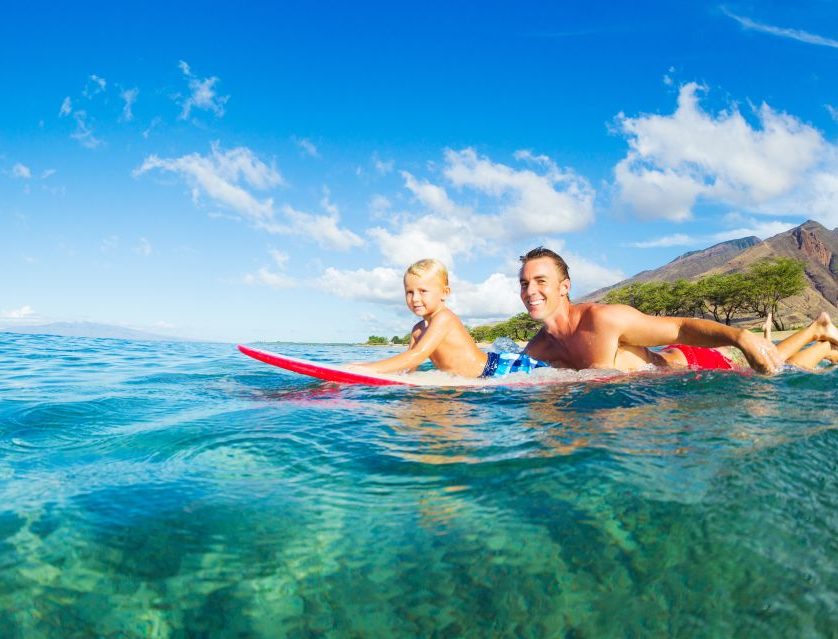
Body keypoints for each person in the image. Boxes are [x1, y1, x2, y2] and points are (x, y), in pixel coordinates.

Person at [519, 247, 838, 374]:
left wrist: (740, 336)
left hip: (692, 363)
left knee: (772, 373)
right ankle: (819, 332)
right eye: (524, 283)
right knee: (768, 364)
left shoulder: (601, 319)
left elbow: (681, 328)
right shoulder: (537, 349)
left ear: (564, 286)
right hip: (663, 374)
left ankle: (820, 339)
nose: (530, 290)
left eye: (541, 281)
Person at [353, 258, 548, 378]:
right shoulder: (417, 330)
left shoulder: (444, 318)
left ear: (444, 292)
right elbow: (409, 366)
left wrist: (367, 368)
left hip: (496, 370)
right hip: (487, 371)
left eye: (423, 291)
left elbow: (417, 355)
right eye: (409, 292)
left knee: (557, 372)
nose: (415, 298)